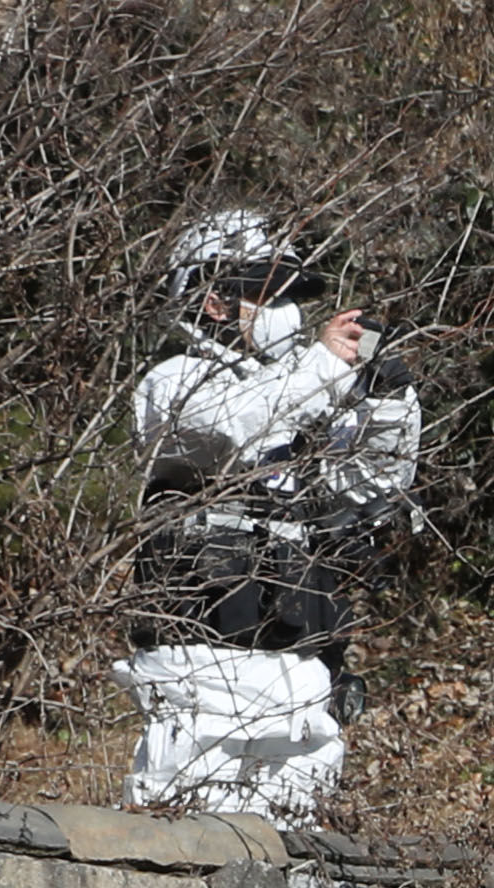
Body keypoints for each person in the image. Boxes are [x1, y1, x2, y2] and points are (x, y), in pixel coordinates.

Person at [119, 211, 423, 820]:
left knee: (297, 857)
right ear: (214, 301)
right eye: (269, 295)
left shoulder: (301, 393)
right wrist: (320, 369)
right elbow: (234, 425)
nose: (287, 312)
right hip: (199, 673)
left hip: (301, 679)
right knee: (182, 844)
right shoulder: (172, 382)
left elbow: (371, 485)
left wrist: (390, 403)